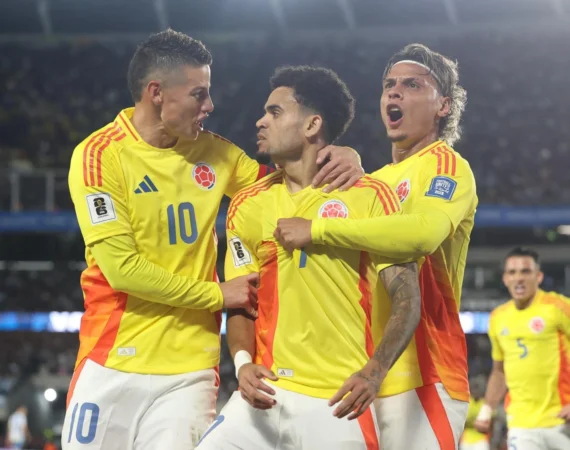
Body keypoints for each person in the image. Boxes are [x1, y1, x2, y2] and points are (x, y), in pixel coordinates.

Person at [63, 30, 362, 450]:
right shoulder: (99, 156)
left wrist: (343, 154)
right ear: (156, 93)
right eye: (198, 94)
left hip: (190, 371)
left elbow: (291, 181)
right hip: (112, 357)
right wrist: (218, 294)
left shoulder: (217, 153)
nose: (210, 105)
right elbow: (122, 270)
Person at [196, 65, 421, 450]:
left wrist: (374, 372)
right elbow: (241, 300)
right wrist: (243, 362)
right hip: (264, 393)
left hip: (337, 401)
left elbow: (407, 295)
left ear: (312, 124)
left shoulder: (369, 196)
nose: (261, 121)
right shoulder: (247, 205)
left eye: (275, 112)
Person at [274, 43, 477, 449]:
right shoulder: (374, 181)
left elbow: (422, 234)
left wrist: (318, 230)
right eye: (389, 85)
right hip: (359, 373)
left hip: (423, 374)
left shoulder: (445, 166)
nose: (395, 91)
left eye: (413, 85)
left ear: (443, 106)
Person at [474, 247, 570, 450]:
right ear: (505, 279)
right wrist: (486, 410)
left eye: (526, 271)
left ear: (539, 276)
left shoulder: (559, 307)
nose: (519, 278)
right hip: (521, 424)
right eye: (512, 272)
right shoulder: (498, 318)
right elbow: (499, 371)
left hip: (562, 420)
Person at [460, 376, 491, 450]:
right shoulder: (466, 403)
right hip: (466, 439)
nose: (476, 391)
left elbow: (489, 424)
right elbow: (462, 422)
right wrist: (477, 423)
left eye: (478, 389)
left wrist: (471, 422)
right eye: (474, 389)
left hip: (482, 440)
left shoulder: (485, 404)